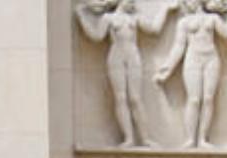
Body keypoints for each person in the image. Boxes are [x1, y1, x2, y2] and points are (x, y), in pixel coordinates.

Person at [76, 0, 179, 148]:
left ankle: (145, 138)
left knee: (135, 98)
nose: (132, 4)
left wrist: (165, 10)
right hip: (116, 55)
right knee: (121, 97)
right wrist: (81, 16)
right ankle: (129, 138)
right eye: (129, 1)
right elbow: (96, 36)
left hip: (133, 55)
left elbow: (154, 29)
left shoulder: (134, 18)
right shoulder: (109, 18)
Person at [155, 0, 227, 148]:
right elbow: (178, 47)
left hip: (211, 59)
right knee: (194, 99)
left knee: (208, 99)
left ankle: (203, 138)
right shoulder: (184, 22)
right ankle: (191, 138)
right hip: (193, 59)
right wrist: (167, 68)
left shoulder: (212, 18)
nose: (188, 4)